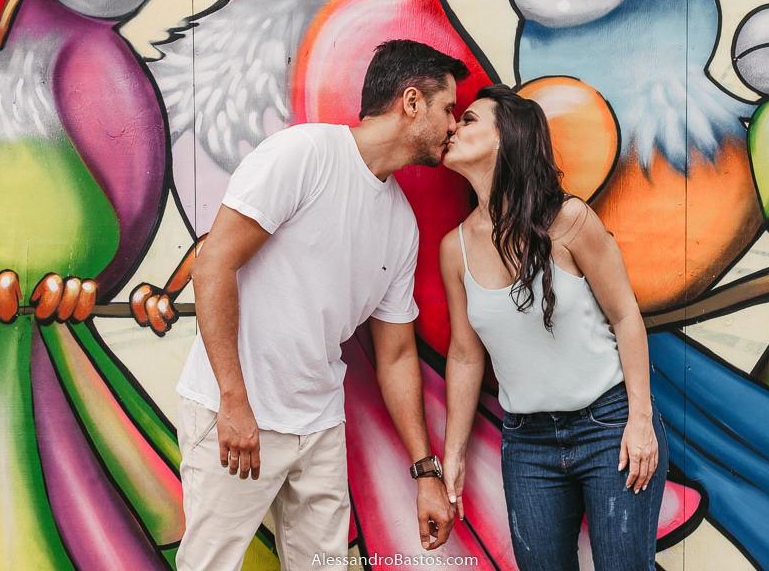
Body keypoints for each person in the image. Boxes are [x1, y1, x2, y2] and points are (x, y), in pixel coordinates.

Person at [132, 39, 464, 570]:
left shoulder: (401, 224)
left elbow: (398, 355)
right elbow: (214, 264)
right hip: (238, 413)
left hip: (319, 426)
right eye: (448, 109)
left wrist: (426, 471)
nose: (454, 126)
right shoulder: (305, 155)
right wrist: (234, 403)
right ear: (411, 102)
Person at [439, 84, 667, 571]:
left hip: (609, 427)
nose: (453, 127)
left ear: (506, 137)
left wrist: (641, 420)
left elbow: (626, 316)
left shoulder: (569, 220)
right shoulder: (454, 248)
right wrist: (452, 453)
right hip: (528, 444)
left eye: (470, 119)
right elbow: (464, 354)